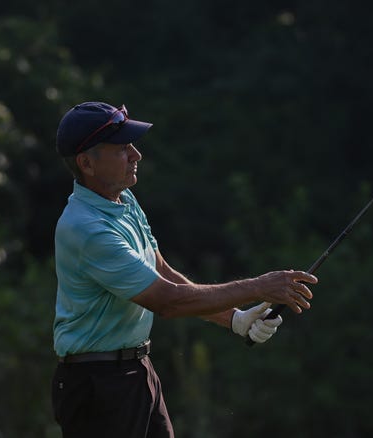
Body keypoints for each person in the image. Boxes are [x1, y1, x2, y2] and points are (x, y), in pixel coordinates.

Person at [51, 102, 317, 438]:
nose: (136, 155)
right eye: (122, 149)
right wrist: (260, 286)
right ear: (86, 163)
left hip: (136, 372)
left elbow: (161, 271)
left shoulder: (123, 200)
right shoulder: (86, 228)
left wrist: (234, 319)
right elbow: (167, 301)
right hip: (98, 387)